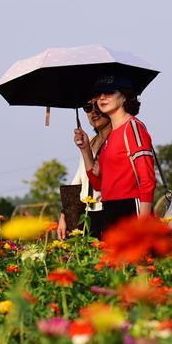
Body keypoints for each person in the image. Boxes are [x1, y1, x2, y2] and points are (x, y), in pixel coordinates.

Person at [74, 75, 156, 231]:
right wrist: (85, 149)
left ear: (124, 96)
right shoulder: (109, 138)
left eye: (109, 91)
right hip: (109, 210)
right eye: (99, 93)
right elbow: (99, 185)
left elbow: (147, 180)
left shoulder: (133, 127)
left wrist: (144, 226)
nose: (102, 97)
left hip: (132, 208)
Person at [57, 95, 111, 240]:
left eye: (98, 105)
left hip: (108, 212)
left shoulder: (116, 140)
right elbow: (80, 180)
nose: (93, 112)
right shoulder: (90, 141)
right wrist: (64, 214)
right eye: (87, 107)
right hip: (87, 213)